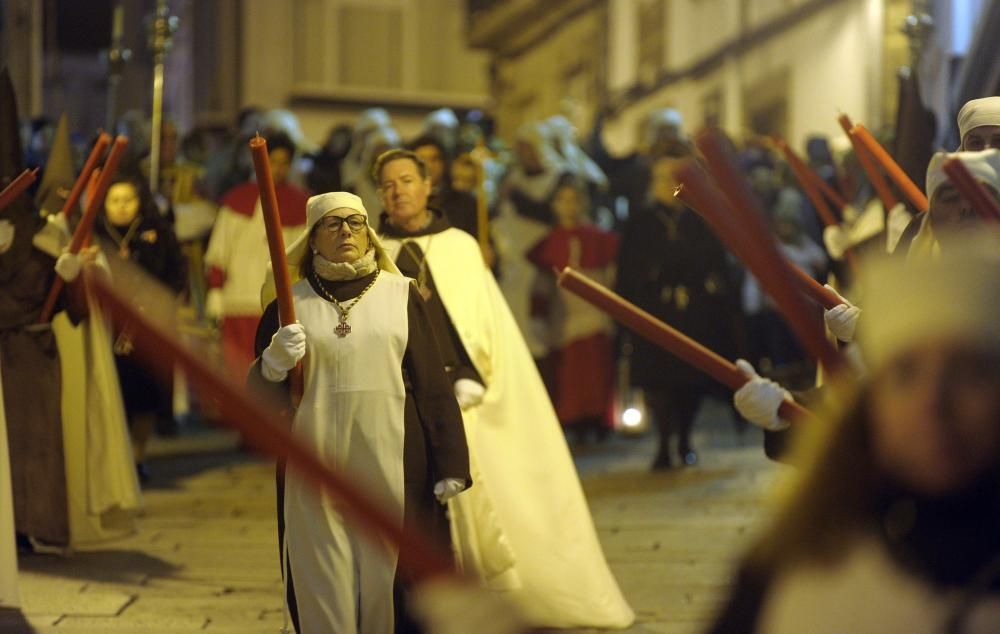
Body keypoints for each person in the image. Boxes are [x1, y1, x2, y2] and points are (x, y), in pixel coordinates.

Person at [374, 148, 635, 629]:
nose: (398, 192)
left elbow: (480, 318)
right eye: (388, 184)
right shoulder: (375, 252)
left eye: (407, 180)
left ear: (428, 185)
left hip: (464, 394)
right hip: (403, 402)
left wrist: (466, 373)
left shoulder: (459, 246)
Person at [709, 233, 1000, 633]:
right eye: (905, 373)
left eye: (969, 373)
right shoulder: (793, 574)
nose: (933, 403)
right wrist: (784, 407)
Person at [253, 191, 470, 633]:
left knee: (389, 579)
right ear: (313, 239)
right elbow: (255, 401)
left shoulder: (401, 295)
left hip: (390, 458)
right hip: (313, 461)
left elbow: (432, 385)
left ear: (369, 233)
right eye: (332, 224)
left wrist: (449, 462)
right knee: (321, 577)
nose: (346, 231)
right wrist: (272, 364)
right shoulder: (289, 305)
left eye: (354, 222)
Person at [616, 151, 744, 469]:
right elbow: (629, 270)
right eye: (663, 179)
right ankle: (663, 442)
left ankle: (684, 438)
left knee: (690, 381)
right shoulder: (641, 223)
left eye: (676, 180)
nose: (670, 186)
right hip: (656, 310)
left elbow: (716, 265)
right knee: (658, 383)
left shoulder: (699, 222)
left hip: (693, 312)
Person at [95, 174, 187, 479]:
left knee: (145, 394)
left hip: (149, 323)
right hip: (107, 325)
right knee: (111, 393)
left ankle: (137, 456)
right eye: (114, 201)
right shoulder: (94, 232)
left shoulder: (157, 231)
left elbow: (176, 273)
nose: (121, 207)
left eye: (128, 200)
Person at [205, 131, 308, 381]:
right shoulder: (236, 200)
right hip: (238, 296)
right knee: (237, 366)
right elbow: (220, 248)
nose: (279, 169)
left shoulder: (299, 203)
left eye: (285, 163)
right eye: (274, 161)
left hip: (277, 301)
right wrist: (216, 290)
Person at [526, 176, 618, 442]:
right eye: (562, 200)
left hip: (594, 314)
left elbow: (610, 275)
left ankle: (598, 420)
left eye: (574, 200)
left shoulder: (598, 238)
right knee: (569, 375)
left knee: (595, 371)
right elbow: (541, 284)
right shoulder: (549, 241)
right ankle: (574, 421)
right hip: (562, 316)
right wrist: (538, 315)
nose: (568, 206)